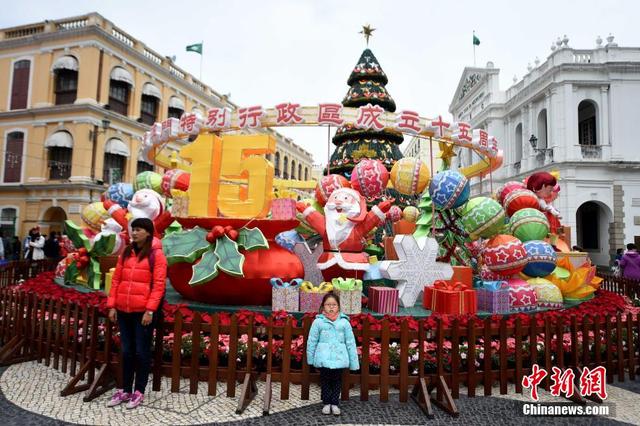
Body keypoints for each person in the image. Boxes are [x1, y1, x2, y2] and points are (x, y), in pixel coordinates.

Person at [106, 218, 167, 409]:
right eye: (133, 229)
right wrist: (112, 305)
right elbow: (116, 281)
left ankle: (139, 391)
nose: (134, 232)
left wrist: (150, 310)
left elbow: (158, 285)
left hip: (143, 313)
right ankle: (125, 389)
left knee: (141, 352)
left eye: (138, 229)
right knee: (126, 351)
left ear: (148, 232)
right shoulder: (126, 252)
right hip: (124, 310)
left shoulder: (157, 256)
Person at [306, 293, 359, 416]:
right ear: (323, 306)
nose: (331, 307)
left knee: (337, 380)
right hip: (323, 357)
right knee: (324, 380)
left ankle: (334, 402)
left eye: (334, 305)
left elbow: (350, 342)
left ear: (339, 307)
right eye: (328, 304)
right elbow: (312, 341)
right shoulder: (318, 322)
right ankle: (326, 402)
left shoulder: (344, 323)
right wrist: (311, 358)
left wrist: (353, 362)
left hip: (339, 358)